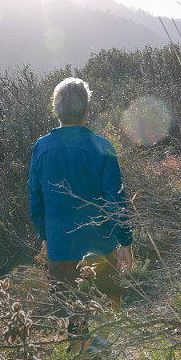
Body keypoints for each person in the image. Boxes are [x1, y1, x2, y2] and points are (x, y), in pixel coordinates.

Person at [27, 77, 133, 310]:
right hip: (101, 249)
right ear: (87, 110)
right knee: (110, 314)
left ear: (57, 111)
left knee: (73, 320)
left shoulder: (41, 148)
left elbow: (35, 200)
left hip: (59, 249)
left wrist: (45, 236)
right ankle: (109, 347)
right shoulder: (102, 146)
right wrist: (125, 241)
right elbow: (115, 199)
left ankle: (79, 345)